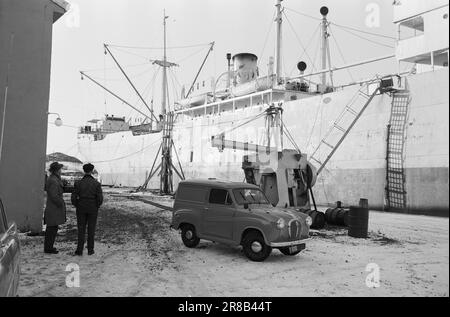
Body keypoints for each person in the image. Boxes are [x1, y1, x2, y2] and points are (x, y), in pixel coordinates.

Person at [71, 163, 103, 256]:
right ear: (92, 171)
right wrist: (96, 205)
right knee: (91, 229)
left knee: (81, 229)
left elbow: (73, 197)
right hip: (93, 208)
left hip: (81, 207)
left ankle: (79, 250)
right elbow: (100, 198)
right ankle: (90, 249)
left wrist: (77, 204)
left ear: (84, 171)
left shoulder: (78, 183)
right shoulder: (96, 184)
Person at [44, 162, 67, 254]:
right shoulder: (54, 180)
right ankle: (48, 248)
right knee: (51, 229)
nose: (61, 171)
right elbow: (54, 195)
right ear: (56, 170)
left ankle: (49, 247)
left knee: (52, 228)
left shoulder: (54, 179)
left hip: (53, 208)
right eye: (60, 169)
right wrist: (60, 203)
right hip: (54, 208)